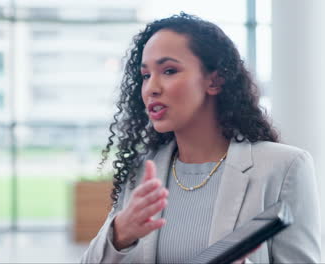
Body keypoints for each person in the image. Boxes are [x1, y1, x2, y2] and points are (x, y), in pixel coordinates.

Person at [81, 13, 321, 263]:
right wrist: (120, 234)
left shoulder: (285, 167)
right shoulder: (142, 172)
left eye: (169, 70)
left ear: (214, 81)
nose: (151, 87)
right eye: (145, 75)